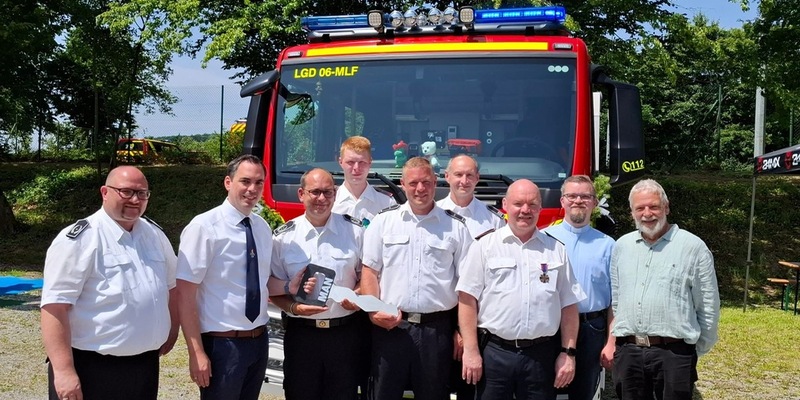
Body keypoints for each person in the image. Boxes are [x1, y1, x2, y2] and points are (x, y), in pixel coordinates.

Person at [41, 166, 179, 400]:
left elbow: (171, 286)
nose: (135, 200)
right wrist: (64, 371)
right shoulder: (80, 239)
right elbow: (54, 307)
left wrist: (172, 329)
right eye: (126, 192)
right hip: (91, 366)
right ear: (105, 192)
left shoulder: (154, 235)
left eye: (142, 193)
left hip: (144, 366)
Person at [176, 154, 299, 400]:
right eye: (245, 181)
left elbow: (261, 280)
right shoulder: (204, 227)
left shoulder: (262, 227)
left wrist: (289, 285)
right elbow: (184, 293)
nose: (252, 189)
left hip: (258, 340)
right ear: (228, 183)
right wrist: (196, 352)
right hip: (221, 345)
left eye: (258, 182)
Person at [457, 179, 585, 400]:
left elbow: (569, 305)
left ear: (540, 208)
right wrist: (471, 350)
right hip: (495, 354)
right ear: (505, 205)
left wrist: (568, 353)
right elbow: (467, 301)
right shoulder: (484, 247)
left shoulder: (556, 250)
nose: (525, 210)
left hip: (541, 356)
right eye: (518, 204)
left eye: (532, 204)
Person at [361, 156, 473, 400]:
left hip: (437, 331)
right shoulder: (383, 222)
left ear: (435, 183)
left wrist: (460, 330)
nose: (420, 189)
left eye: (426, 182)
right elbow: (369, 271)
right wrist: (372, 312)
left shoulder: (456, 228)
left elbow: (467, 286)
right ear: (402, 184)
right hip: (391, 328)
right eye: (413, 183)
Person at [610, 179, 720, 400]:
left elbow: (708, 304)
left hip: (674, 353)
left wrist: (695, 350)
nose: (647, 213)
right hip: (629, 352)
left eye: (654, 206)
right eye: (640, 208)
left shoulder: (693, 247)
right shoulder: (621, 246)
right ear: (631, 212)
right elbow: (617, 298)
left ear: (666, 207)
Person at [270, 168, 365, 400]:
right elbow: (272, 288)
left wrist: (359, 295)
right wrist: (294, 308)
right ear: (301, 194)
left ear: (335, 194)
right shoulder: (283, 238)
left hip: (345, 334)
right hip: (302, 336)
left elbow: (369, 277)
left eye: (328, 192)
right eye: (315, 192)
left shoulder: (355, 231)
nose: (321, 199)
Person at [543, 175, 616, 400]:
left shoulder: (608, 245)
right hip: (549, 327)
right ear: (562, 201)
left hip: (591, 329)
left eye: (585, 196)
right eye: (572, 196)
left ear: (594, 203)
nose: (578, 201)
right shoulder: (544, 239)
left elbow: (616, 300)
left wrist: (611, 342)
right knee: (543, 390)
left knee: (583, 392)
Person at [437, 154, 506, 239]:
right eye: (458, 174)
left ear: (477, 178)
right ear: (447, 176)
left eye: (469, 175)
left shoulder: (494, 219)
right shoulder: (433, 214)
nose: (464, 181)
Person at [333, 136, 396, 226]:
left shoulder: (386, 202)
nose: (356, 168)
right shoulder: (329, 202)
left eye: (362, 162)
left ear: (370, 162)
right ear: (340, 162)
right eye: (350, 162)